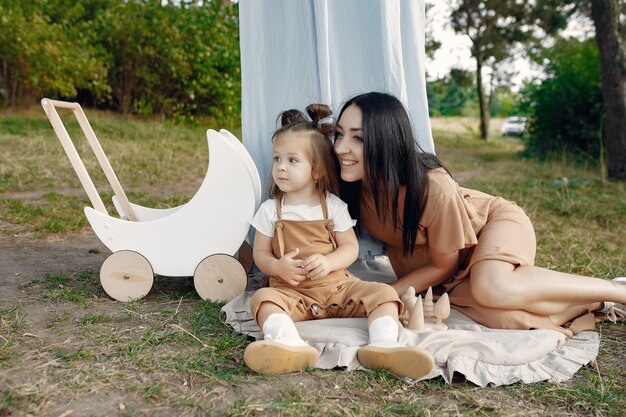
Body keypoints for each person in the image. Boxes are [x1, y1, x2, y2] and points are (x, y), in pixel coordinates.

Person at [333, 92, 626, 336]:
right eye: (339, 134)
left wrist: (386, 292)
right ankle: (595, 303)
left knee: (491, 288)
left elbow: (442, 265)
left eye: (358, 138)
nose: (341, 147)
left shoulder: (433, 187)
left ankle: (616, 290)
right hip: (446, 273)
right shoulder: (353, 181)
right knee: (504, 319)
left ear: (387, 141)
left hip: (490, 227)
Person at [244, 103, 434, 378]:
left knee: (384, 294)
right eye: (277, 159)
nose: (281, 168)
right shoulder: (271, 209)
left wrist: (328, 260)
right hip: (292, 293)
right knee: (263, 299)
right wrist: (277, 268)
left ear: (317, 171)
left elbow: (350, 248)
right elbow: (260, 253)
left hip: (337, 290)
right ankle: (288, 343)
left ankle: (384, 345)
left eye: (292, 160)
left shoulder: (332, 206)